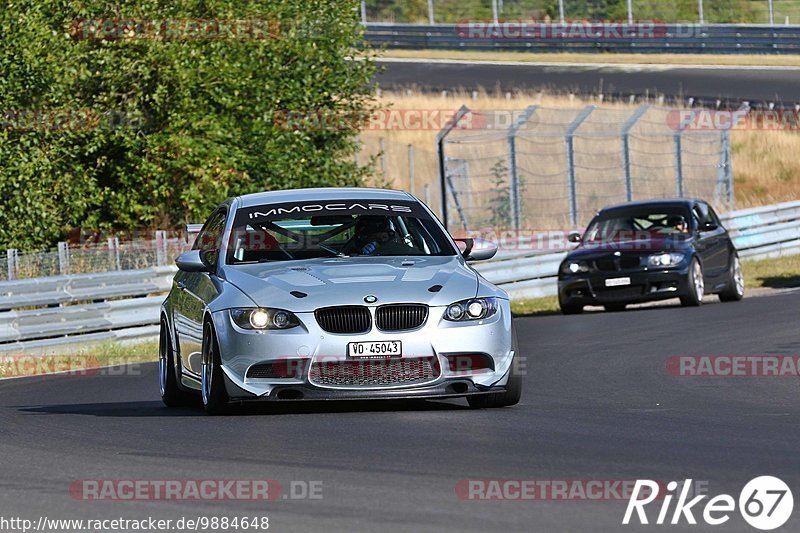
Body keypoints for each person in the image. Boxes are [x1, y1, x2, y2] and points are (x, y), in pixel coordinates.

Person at [346, 216, 421, 256]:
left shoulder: (405, 252)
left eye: (383, 237)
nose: (378, 242)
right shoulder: (350, 256)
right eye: (373, 238)